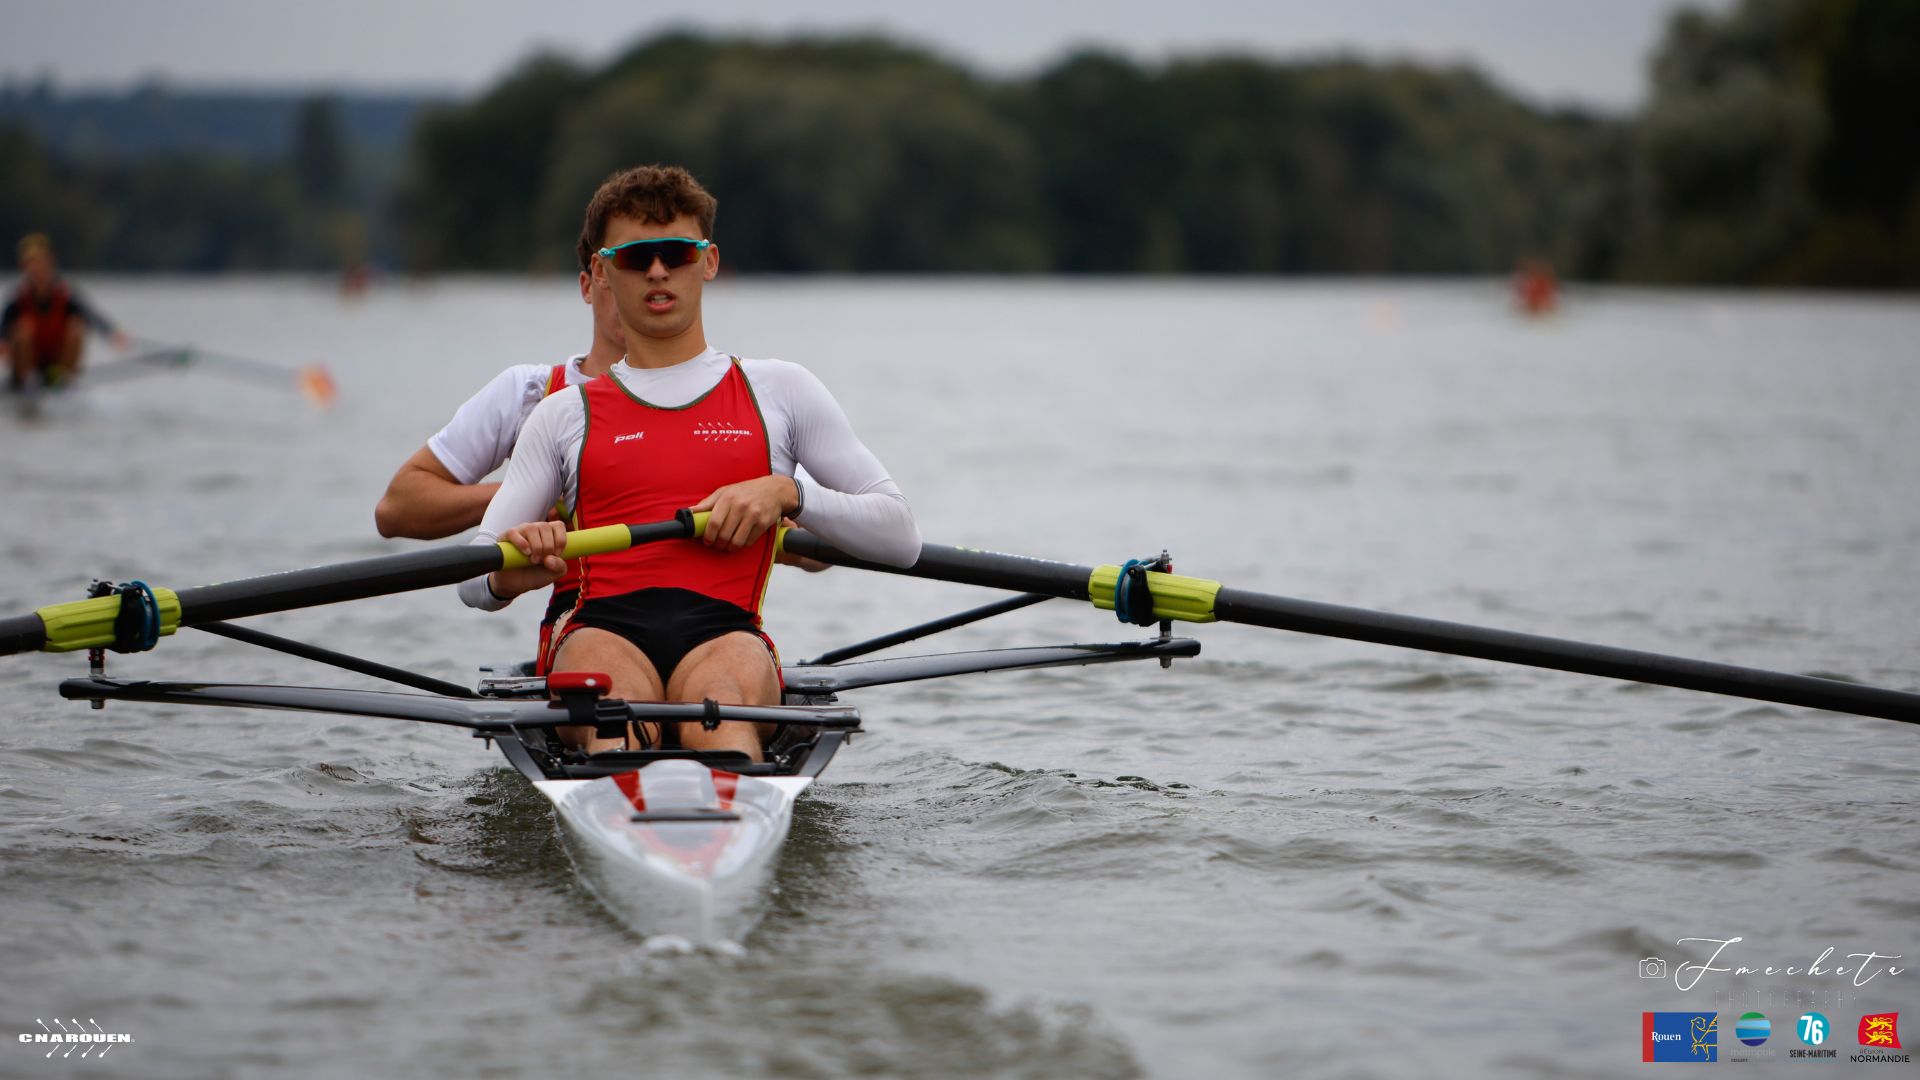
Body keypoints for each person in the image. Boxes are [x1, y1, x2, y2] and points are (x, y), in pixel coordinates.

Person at [457, 165, 919, 761]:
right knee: (612, 717)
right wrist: (506, 574)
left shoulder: (781, 389)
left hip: (726, 634)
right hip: (602, 632)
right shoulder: (564, 412)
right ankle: (627, 801)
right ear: (600, 271)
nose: (657, 271)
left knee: (720, 712)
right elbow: (471, 575)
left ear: (709, 262)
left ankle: (721, 810)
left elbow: (901, 536)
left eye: (676, 253)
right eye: (634, 257)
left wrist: (789, 495)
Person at [4, 234, 128, 393]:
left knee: (76, 326)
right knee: (22, 329)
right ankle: (29, 380)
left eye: (41, 261)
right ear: (24, 267)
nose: (37, 268)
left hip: (55, 368)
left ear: (50, 262)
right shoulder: (18, 299)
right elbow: (4, 329)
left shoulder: (65, 295)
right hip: (27, 371)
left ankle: (62, 379)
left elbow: (89, 315)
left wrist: (112, 333)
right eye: (31, 263)